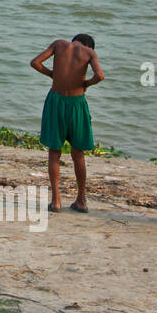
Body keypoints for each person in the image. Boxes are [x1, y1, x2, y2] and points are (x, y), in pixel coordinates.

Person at [30, 34, 104, 213]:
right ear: (89, 46)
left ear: (74, 40)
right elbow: (100, 75)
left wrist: (52, 75)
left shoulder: (59, 44)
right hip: (77, 104)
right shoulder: (89, 53)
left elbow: (35, 63)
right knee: (78, 154)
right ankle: (81, 200)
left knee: (54, 153)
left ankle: (56, 201)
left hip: (56, 102)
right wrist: (86, 83)